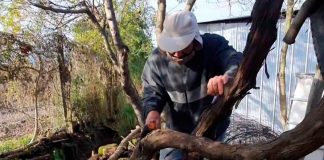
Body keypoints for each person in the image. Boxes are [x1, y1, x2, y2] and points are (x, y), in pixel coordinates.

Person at [141, 10, 242, 159]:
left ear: (195, 39)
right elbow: (152, 91)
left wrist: (227, 77)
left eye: (183, 47)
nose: (177, 54)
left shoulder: (213, 46)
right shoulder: (156, 60)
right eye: (172, 49)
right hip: (176, 134)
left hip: (213, 134)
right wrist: (152, 112)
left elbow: (235, 60)